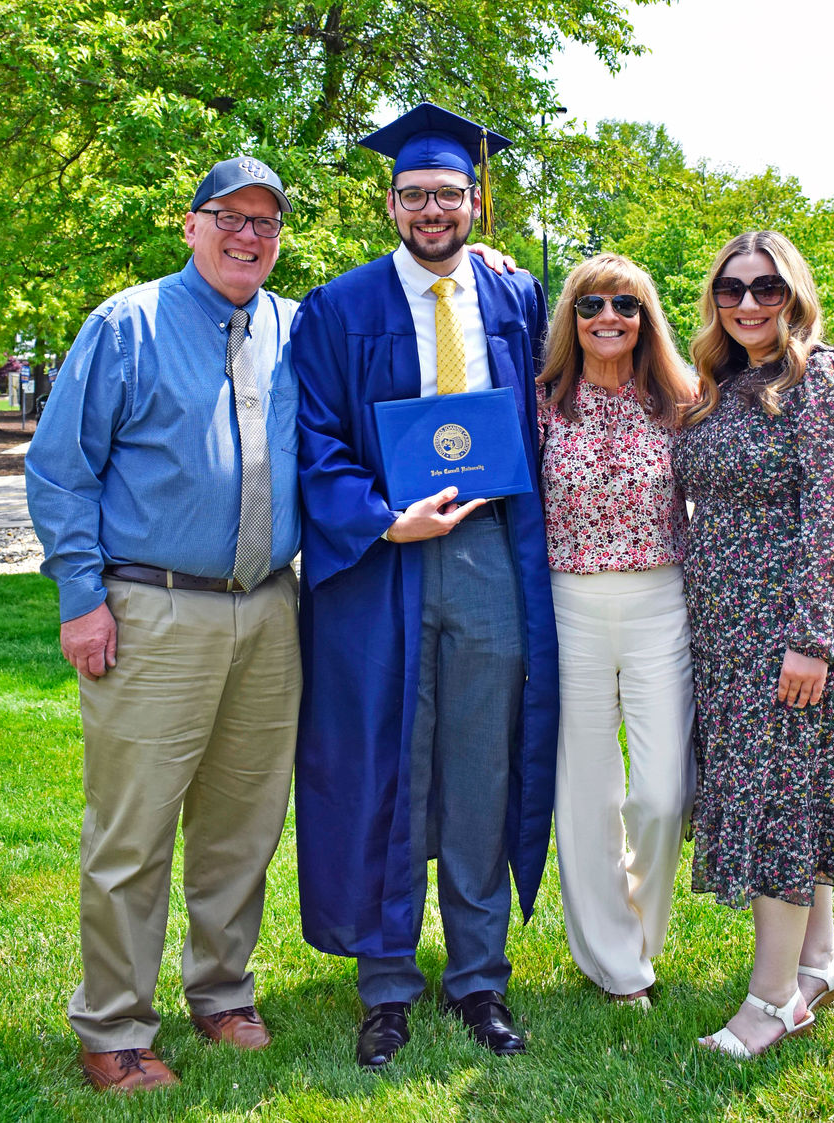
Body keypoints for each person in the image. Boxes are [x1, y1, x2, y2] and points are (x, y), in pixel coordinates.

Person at [290, 103, 559, 1069]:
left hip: (490, 554)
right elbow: (311, 441)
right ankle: (387, 984)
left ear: (474, 203)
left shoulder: (516, 297)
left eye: (448, 194)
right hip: (384, 563)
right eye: (415, 195)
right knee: (388, 766)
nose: (432, 209)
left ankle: (478, 977)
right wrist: (378, 516)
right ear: (391, 202)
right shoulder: (339, 308)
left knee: (482, 763)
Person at [25, 157, 301, 1091]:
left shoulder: (293, 328)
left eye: (265, 223)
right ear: (190, 225)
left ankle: (222, 992)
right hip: (152, 606)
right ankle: (113, 1028)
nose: (248, 236)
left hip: (268, 610)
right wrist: (80, 597)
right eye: (229, 217)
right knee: (133, 830)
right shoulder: (126, 324)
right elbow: (62, 471)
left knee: (243, 824)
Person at [673, 230, 834, 1057]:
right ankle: (818, 960)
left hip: (798, 635)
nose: (749, 304)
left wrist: (811, 639)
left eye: (766, 288)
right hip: (730, 635)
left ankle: (769, 1000)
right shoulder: (724, 383)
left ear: (794, 292)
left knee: (779, 809)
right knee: (787, 801)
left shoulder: (823, 380)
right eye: (731, 289)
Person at [536, 254, 696, 1009]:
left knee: (663, 792)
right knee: (586, 789)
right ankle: (615, 960)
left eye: (625, 306)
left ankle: (638, 928)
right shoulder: (539, 403)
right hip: (567, 602)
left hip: (660, 598)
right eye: (592, 303)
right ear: (572, 316)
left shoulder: (680, 400)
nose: (608, 317)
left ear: (644, 318)